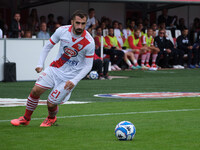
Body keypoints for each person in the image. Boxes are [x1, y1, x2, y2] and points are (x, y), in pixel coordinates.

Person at [10, 10, 95, 127]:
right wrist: (40, 64)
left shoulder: (89, 42)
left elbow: (88, 65)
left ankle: (51, 118)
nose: (80, 26)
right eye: (77, 23)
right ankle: (25, 118)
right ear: (72, 22)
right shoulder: (62, 31)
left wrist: (75, 80)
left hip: (69, 78)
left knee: (50, 103)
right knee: (35, 91)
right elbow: (48, 46)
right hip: (55, 69)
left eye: (83, 24)